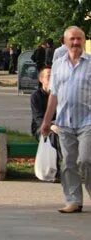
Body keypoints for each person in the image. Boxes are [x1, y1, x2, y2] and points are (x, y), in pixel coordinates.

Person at [40, 26, 91, 214]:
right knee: (68, 163)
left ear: (84, 41)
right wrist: (46, 122)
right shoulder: (58, 64)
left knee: (86, 160)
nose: (76, 42)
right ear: (65, 41)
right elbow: (53, 94)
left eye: (79, 39)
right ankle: (73, 200)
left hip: (88, 120)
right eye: (72, 39)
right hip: (65, 121)